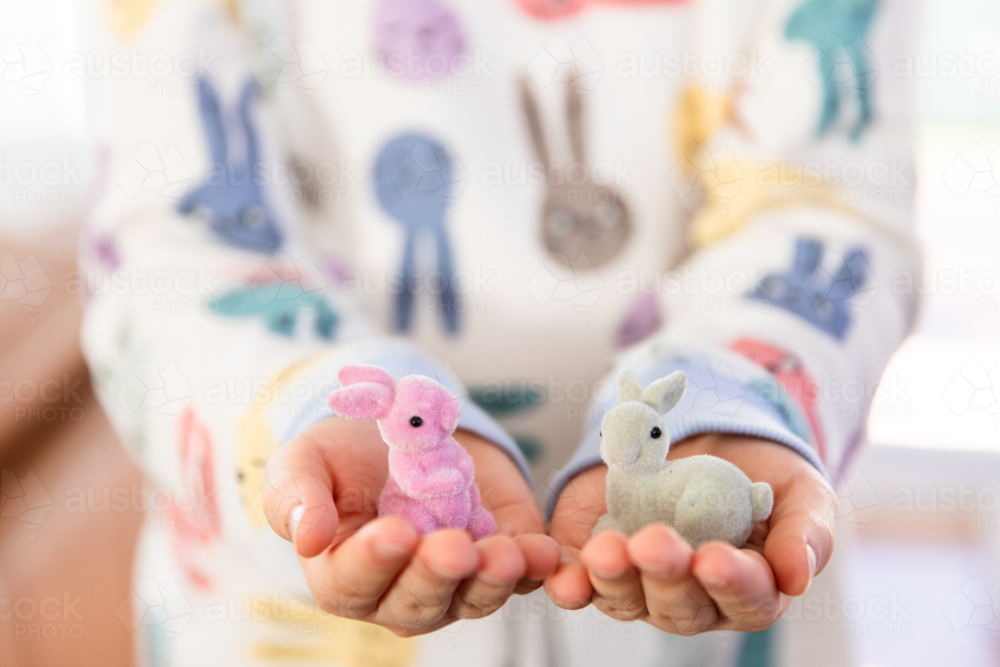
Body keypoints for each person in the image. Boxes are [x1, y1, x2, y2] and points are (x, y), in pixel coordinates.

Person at [78, 0, 920, 664]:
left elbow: (826, 200)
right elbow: (173, 246)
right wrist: (298, 413)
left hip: (706, 638)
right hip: (283, 631)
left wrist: (736, 393)